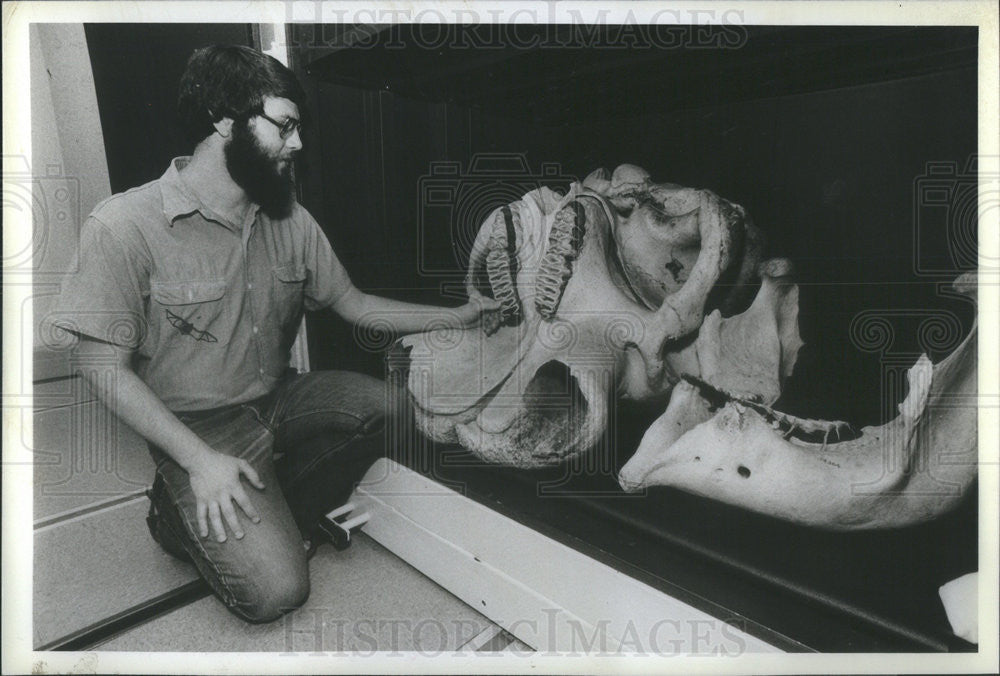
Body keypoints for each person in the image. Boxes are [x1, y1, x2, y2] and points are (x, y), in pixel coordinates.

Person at [48, 44, 497, 623]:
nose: (299, 144)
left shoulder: (291, 220)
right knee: (276, 592)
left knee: (393, 408)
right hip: (199, 427)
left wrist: (459, 315)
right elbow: (101, 365)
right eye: (285, 126)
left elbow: (353, 304)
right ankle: (173, 513)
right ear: (224, 120)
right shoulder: (124, 225)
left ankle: (265, 497)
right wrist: (199, 461)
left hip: (280, 396)